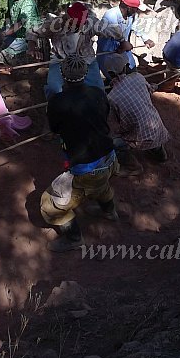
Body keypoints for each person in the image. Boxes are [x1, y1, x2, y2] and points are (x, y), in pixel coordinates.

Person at [40, 56, 120, 252]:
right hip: (111, 157)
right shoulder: (98, 93)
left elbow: (55, 129)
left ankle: (74, 238)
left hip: (87, 169)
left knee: (49, 204)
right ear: (86, 74)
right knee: (100, 183)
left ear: (62, 75)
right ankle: (109, 211)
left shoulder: (57, 102)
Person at [27, 2, 122, 98]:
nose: (73, 27)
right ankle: (54, 108)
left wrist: (122, 41)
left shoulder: (91, 23)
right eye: (71, 23)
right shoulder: (56, 24)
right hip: (60, 59)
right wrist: (32, 47)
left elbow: (113, 30)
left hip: (85, 59)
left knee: (98, 90)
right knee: (54, 89)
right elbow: (33, 31)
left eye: (77, 25)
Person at [101, 54, 170, 175]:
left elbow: (115, 125)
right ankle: (160, 154)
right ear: (127, 67)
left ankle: (133, 167)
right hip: (157, 127)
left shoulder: (111, 97)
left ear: (109, 74)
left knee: (113, 142)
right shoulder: (138, 77)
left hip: (139, 135)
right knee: (146, 124)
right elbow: (149, 89)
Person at [97, 0, 156, 78]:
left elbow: (135, 26)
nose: (137, 11)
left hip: (124, 50)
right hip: (107, 53)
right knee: (116, 80)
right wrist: (123, 44)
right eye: (135, 9)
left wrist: (145, 38)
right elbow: (117, 36)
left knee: (133, 74)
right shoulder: (111, 16)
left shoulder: (131, 15)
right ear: (129, 7)